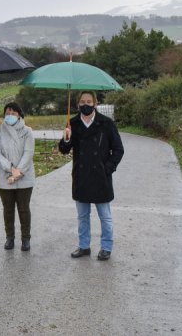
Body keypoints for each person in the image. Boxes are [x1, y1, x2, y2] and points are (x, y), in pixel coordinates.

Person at [59, 91, 124, 261]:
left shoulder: (106, 123)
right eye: (82, 101)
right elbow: (64, 150)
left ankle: (106, 247)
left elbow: (118, 150)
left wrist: (107, 168)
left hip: (101, 177)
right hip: (81, 177)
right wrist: (66, 139)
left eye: (89, 101)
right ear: (77, 104)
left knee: (105, 216)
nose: (85, 104)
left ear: (95, 103)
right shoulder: (72, 123)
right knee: (82, 216)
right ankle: (84, 246)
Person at [0, 103, 35, 251]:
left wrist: (18, 173)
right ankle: (9, 237)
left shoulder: (27, 131)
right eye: (7, 112)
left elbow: (28, 153)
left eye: (13, 112)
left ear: (19, 114)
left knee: (24, 209)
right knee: (8, 209)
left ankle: (26, 238)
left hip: (25, 177)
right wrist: (11, 168)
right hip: (4, 177)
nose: (10, 115)